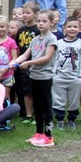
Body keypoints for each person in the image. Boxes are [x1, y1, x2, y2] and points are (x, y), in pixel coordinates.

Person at [13, 10, 58, 147]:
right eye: (39, 21)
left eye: (44, 21)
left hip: (45, 77)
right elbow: (25, 55)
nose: (41, 24)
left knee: (46, 106)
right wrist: (13, 63)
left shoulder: (51, 39)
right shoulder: (35, 39)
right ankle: (39, 133)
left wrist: (28, 64)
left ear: (51, 22)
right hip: (34, 76)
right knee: (37, 106)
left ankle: (48, 136)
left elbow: (46, 58)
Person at [52, 17, 81, 129]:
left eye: (75, 27)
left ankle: (72, 119)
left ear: (79, 28)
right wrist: (54, 74)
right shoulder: (58, 43)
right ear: (64, 28)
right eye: (69, 26)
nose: (72, 29)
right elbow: (54, 59)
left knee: (73, 100)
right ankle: (60, 119)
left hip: (74, 77)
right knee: (59, 99)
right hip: (60, 76)